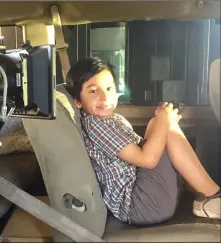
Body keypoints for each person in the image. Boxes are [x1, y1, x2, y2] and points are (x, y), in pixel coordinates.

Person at [65, 57, 221, 225]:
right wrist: (164, 120)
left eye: (109, 88)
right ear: (78, 101)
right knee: (162, 126)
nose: (104, 97)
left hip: (143, 199)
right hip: (139, 205)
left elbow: (143, 150)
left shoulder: (110, 120)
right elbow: (147, 160)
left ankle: (207, 193)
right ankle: (214, 196)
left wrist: (163, 121)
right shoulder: (96, 125)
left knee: (159, 125)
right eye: (93, 91)